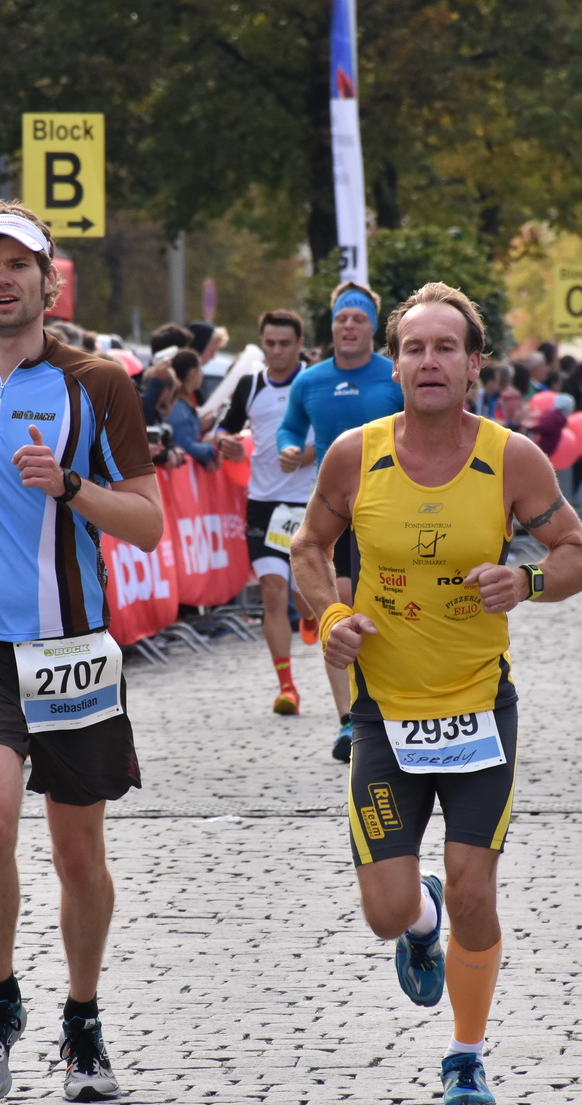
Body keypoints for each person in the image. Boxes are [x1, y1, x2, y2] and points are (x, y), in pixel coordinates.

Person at [288, 282, 582, 1105]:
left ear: (474, 364)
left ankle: (466, 1054)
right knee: (389, 913)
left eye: (446, 348)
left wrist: (527, 578)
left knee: (474, 887)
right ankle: (420, 918)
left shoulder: (512, 458)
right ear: (396, 364)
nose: (430, 361)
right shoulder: (355, 453)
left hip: (477, 712)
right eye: (416, 348)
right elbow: (309, 547)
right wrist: (331, 614)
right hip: (384, 714)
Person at [0, 201, 163, 1103]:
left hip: (72, 649)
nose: (4, 279)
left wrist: (73, 485)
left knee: (79, 855)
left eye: (21, 265)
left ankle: (83, 1020)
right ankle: (0, 998)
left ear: (49, 283)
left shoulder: (100, 385)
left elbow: (150, 519)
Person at [277, 282, 402, 762]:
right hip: (332, 509)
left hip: (389, 508)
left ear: (373, 326)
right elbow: (291, 426)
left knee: (386, 607)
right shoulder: (311, 381)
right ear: (332, 327)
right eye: (341, 319)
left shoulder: (392, 377)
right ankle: (350, 721)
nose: (349, 326)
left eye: (358, 319)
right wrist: (288, 447)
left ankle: (390, 705)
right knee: (338, 605)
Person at [213, 308, 316, 713]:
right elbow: (226, 426)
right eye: (270, 343)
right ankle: (287, 688)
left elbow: (341, 435)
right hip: (264, 504)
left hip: (311, 502)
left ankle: (309, 613)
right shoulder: (250, 384)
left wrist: (309, 455)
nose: (276, 351)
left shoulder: (314, 381)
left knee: (304, 592)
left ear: (300, 345)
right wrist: (227, 442)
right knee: (273, 595)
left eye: (285, 344)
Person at [162, 350, 216, 469]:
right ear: (192, 373)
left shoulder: (183, 402)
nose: (202, 374)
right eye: (200, 369)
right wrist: (214, 448)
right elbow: (185, 445)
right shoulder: (179, 405)